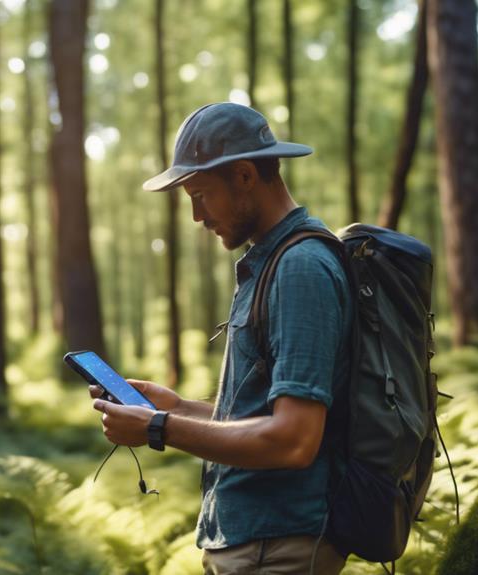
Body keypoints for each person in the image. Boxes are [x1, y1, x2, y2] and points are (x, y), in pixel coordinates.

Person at [89, 102, 353, 575]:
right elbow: (265, 418)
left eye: (201, 194)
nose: (195, 215)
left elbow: (294, 439)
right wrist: (175, 408)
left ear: (246, 176)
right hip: (256, 543)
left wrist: (156, 429)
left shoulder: (299, 269)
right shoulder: (270, 264)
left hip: (278, 547)